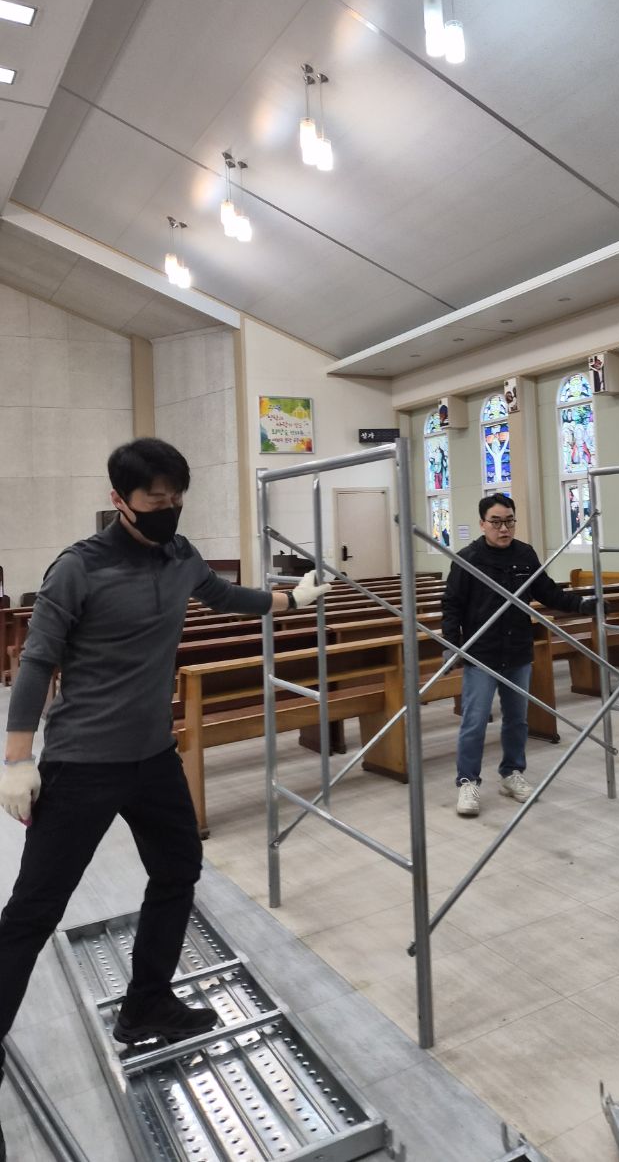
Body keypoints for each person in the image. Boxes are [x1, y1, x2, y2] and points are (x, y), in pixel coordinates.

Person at [0, 436, 330, 1148]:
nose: (170, 509)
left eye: (177, 498)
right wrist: (17, 758)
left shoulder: (179, 557)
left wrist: (289, 598)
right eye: (156, 499)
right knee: (32, 912)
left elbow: (228, 596)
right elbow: (36, 661)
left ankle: (146, 1002)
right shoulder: (77, 569)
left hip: (152, 757)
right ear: (119, 500)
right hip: (83, 764)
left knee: (178, 869)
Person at [441, 494, 594, 817]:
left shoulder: (524, 554)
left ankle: (511, 773)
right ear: (482, 524)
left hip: (517, 650)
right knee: (475, 721)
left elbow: (546, 591)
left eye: (509, 521)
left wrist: (581, 604)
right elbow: (452, 605)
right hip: (481, 653)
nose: (504, 528)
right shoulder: (467, 559)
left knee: (517, 719)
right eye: (496, 522)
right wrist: (451, 645)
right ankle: (468, 781)